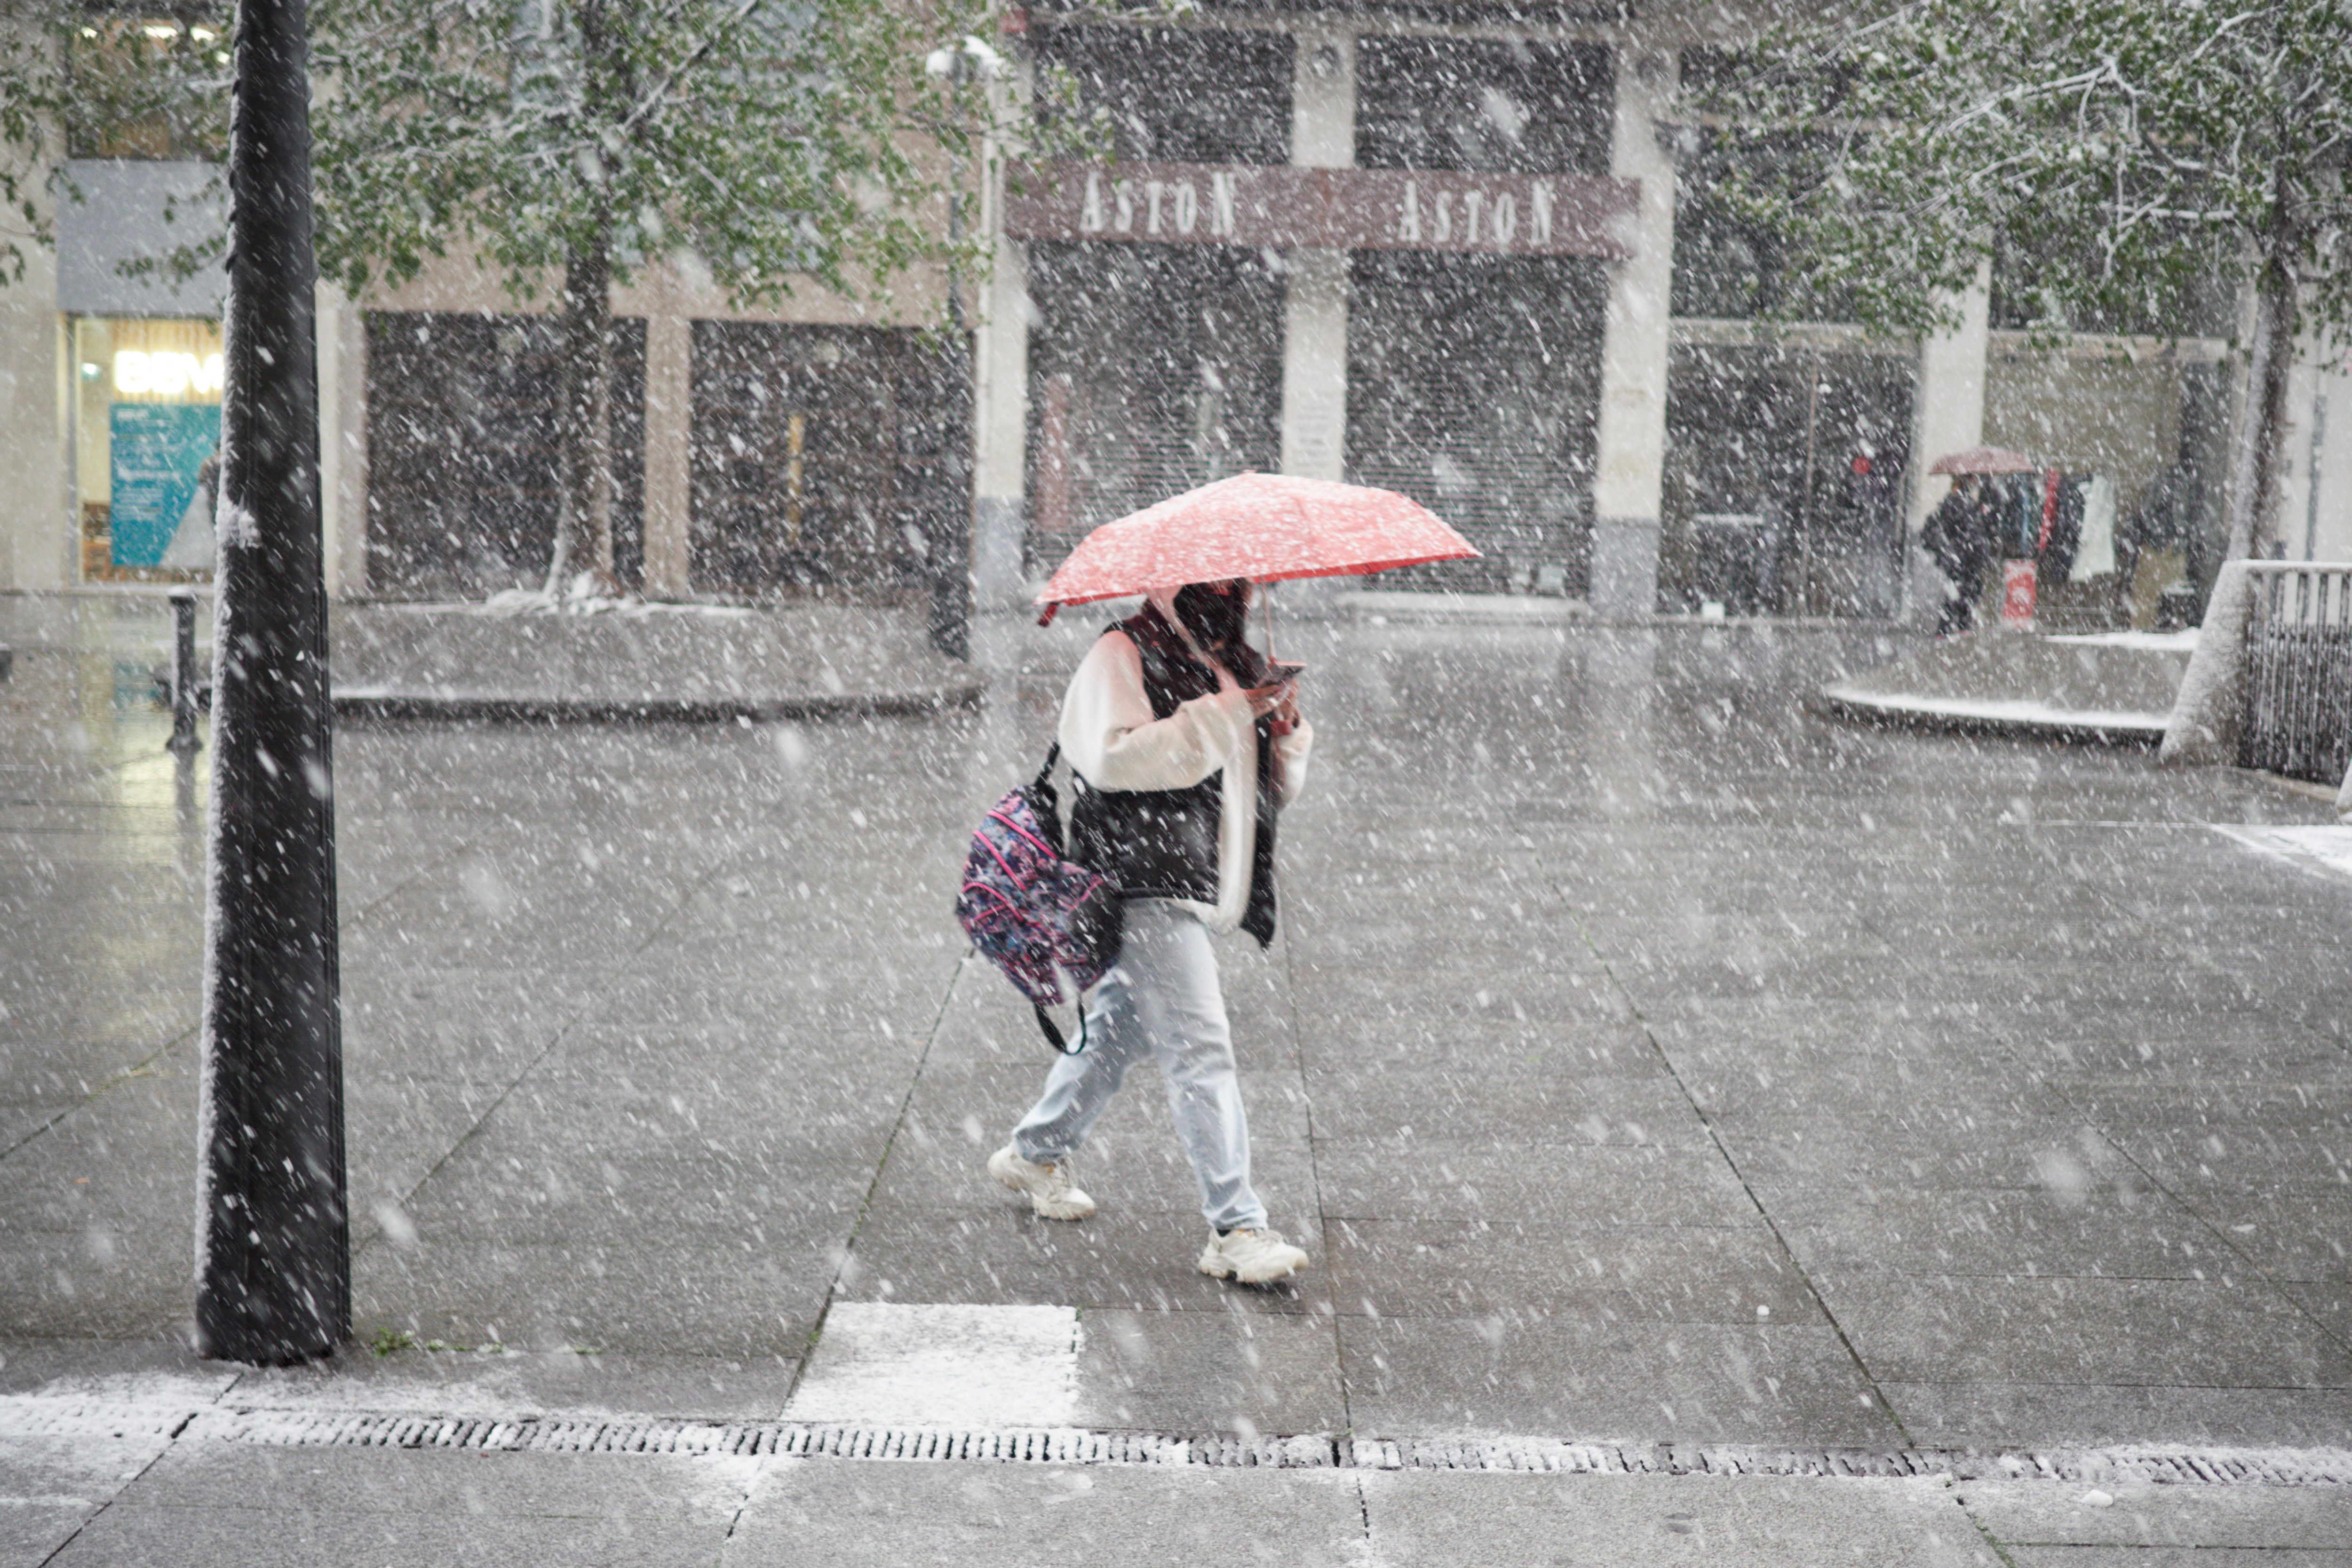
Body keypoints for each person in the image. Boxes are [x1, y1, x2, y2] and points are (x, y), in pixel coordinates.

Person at [987, 579, 1316, 1285]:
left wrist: (1281, 734)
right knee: (1201, 1047)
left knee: (1122, 1030)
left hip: (1195, 880)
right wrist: (1230, 712)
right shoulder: (1122, 651)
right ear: (1171, 580)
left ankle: (1035, 1151)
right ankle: (1235, 1228)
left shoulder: (1229, 659)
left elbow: (1256, 793)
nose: (1230, 587)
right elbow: (1113, 760)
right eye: (1216, 574)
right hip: (1139, 880)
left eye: (1238, 577)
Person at [1920, 472, 1993, 636]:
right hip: (1963, 556)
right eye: (1973, 480)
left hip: (1965, 556)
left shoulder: (1963, 502)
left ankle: (1956, 627)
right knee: (1961, 591)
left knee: (1964, 591)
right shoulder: (1959, 502)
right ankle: (1952, 627)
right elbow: (1964, 529)